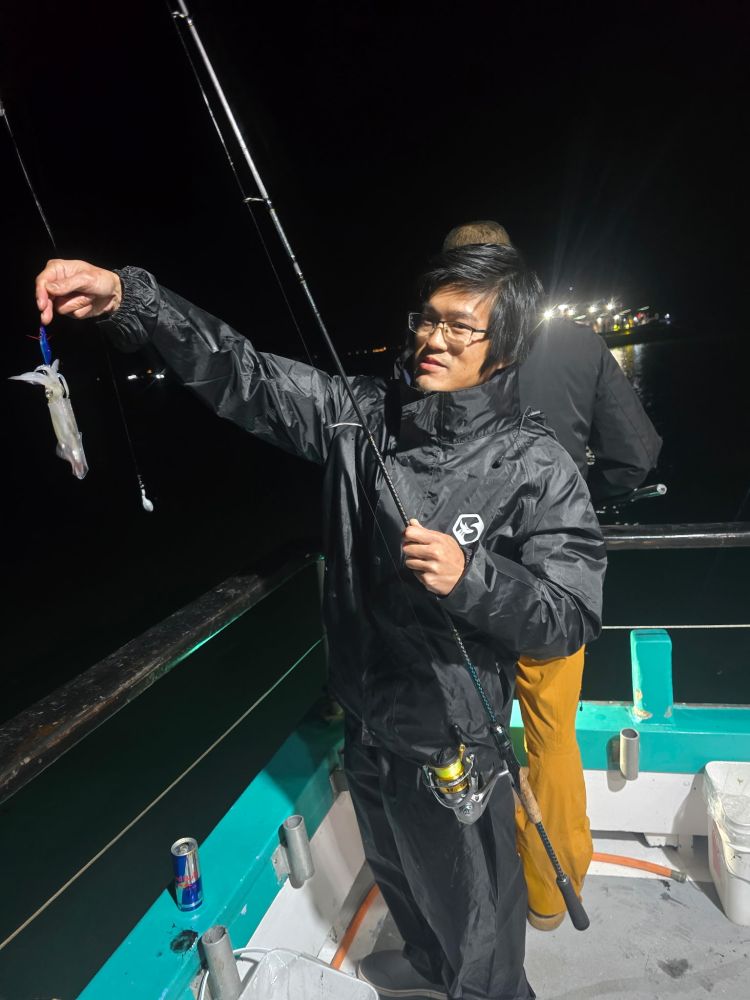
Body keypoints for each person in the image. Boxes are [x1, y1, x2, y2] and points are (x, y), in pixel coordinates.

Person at [35, 246, 606, 1000]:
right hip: (365, 720)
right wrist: (129, 300)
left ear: (504, 349)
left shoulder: (538, 465)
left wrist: (474, 578)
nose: (432, 339)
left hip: (453, 741)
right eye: (427, 319)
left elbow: (569, 614)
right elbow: (244, 375)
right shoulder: (357, 416)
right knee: (401, 878)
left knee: (480, 930)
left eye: (460, 327)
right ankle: (428, 967)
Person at [442, 222, 662, 932]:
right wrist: (580, 498)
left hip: (460, 578)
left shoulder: (440, 346)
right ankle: (546, 897)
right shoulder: (575, 341)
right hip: (549, 581)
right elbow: (636, 455)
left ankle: (473, 897)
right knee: (551, 741)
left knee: (463, 733)